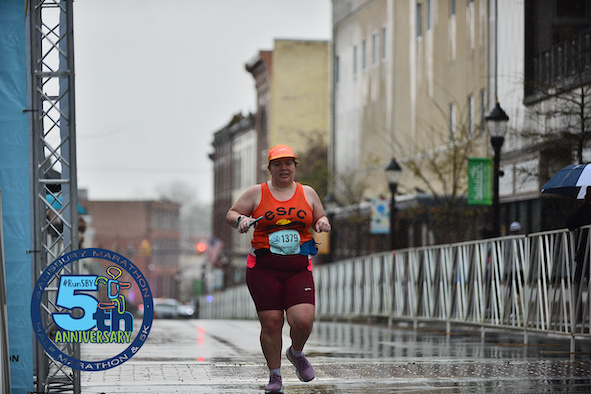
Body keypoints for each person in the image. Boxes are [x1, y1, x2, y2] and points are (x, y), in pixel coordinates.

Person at [226, 144, 331, 394]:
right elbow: (232, 213)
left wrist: (322, 221)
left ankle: (296, 353)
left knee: (303, 320)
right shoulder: (257, 193)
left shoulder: (307, 193)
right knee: (272, 322)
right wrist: (241, 220)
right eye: (277, 164)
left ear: (295, 167)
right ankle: (275, 376)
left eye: (288, 164)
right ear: (270, 168)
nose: (284, 168)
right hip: (264, 267)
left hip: (297, 267)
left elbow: (318, 217)